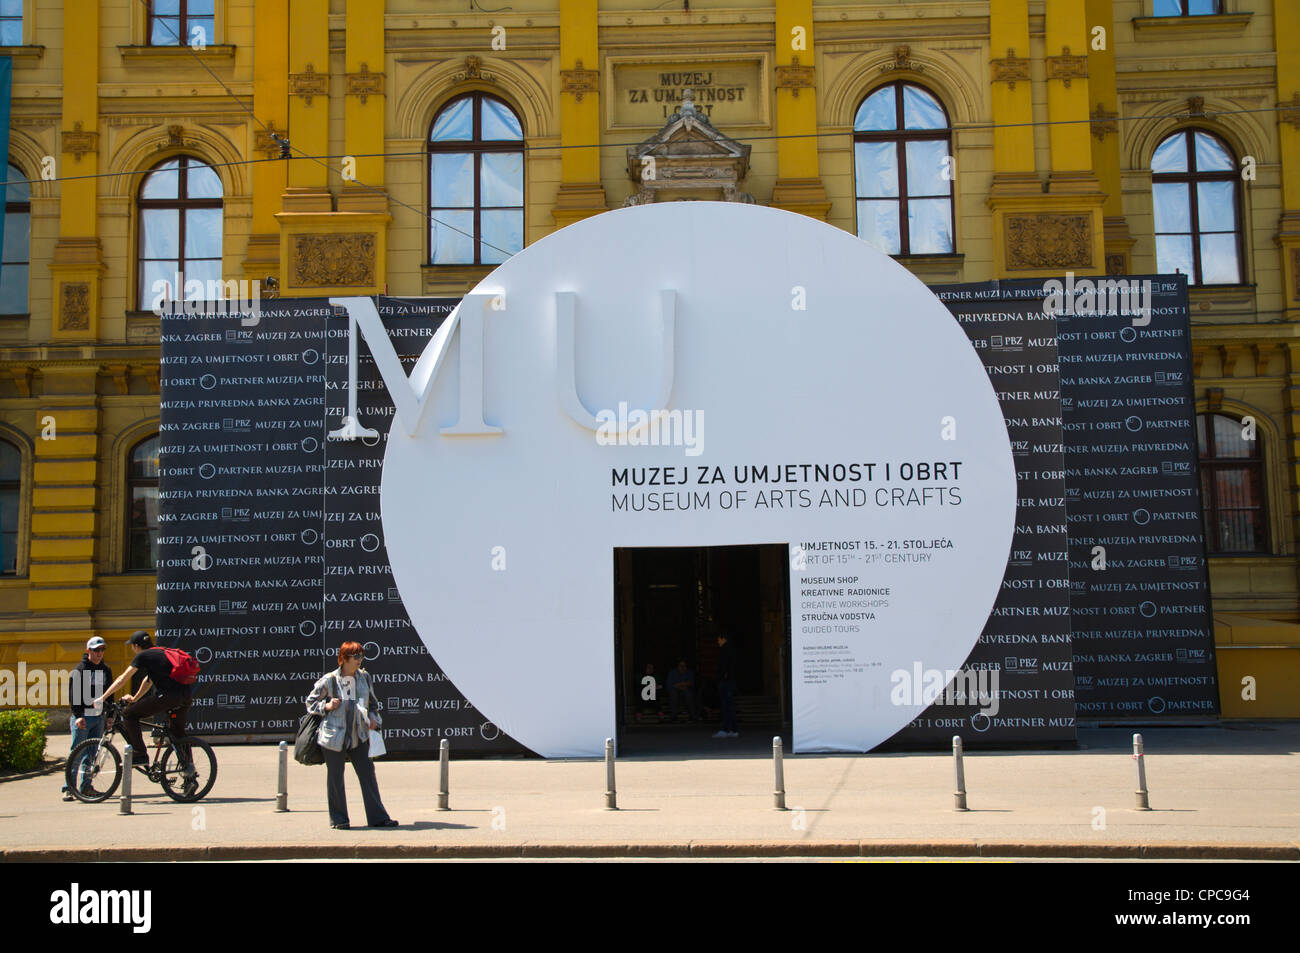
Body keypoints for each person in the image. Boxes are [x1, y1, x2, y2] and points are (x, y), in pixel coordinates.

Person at [305, 642, 398, 830]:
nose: (360, 660)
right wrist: (326, 706)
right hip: (333, 737)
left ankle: (378, 818)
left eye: (361, 656)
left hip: (359, 735)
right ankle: (339, 820)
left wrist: (373, 719)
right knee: (335, 778)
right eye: (356, 656)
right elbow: (310, 702)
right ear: (344, 658)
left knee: (368, 775)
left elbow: (373, 703)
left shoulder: (364, 677)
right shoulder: (330, 680)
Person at [94, 630, 197, 793]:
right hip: (185, 696)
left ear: (136, 646)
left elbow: (122, 679)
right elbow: (148, 681)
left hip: (168, 697)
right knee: (178, 734)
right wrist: (135, 698)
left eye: (132, 647)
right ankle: (190, 776)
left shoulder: (143, 656)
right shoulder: (160, 652)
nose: (133, 650)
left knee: (129, 715)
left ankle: (140, 753)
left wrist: (102, 698)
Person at [63, 637, 112, 801]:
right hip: (83, 718)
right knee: (76, 754)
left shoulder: (106, 670)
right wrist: (77, 716)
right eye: (96, 650)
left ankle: (86, 787)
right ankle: (69, 788)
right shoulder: (79, 670)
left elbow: (110, 694)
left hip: (98, 718)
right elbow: (73, 695)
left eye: (102, 650)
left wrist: (110, 716)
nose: (99, 653)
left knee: (91, 755)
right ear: (88, 651)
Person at [712, 632, 739, 738]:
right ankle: (732, 729)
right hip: (729, 681)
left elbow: (725, 667)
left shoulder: (725, 650)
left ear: (723, 639)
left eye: (719, 639)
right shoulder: (731, 650)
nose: (718, 641)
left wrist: (723, 677)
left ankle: (726, 729)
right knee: (729, 706)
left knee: (726, 706)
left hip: (726, 682)